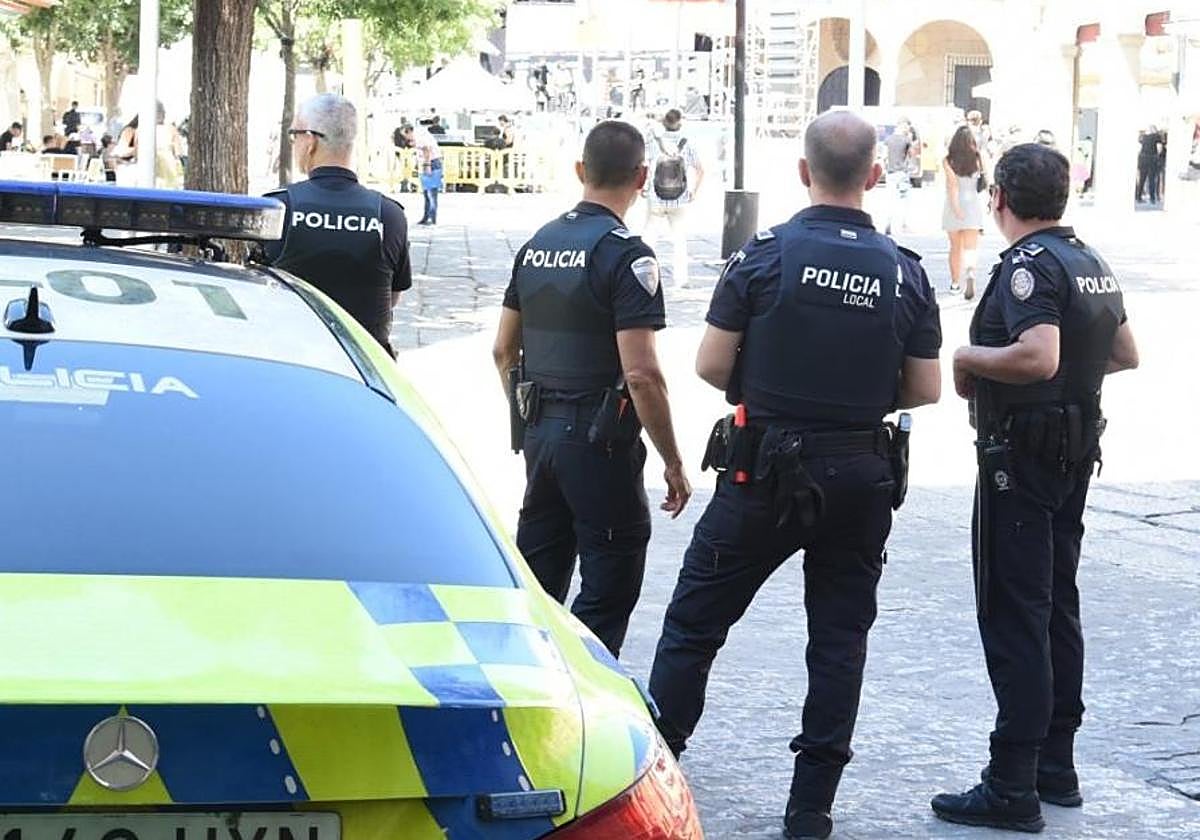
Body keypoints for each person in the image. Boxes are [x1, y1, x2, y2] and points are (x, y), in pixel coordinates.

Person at [647, 111, 943, 840]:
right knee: (838, 641)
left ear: (804, 173)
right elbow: (927, 387)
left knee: (693, 625)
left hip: (764, 470)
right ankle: (811, 808)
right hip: (859, 472)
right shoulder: (904, 270)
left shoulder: (765, 255)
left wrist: (775, 384)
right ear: (874, 175)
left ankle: (657, 773)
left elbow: (713, 365)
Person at [932, 143, 1139, 833]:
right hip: (1072, 456)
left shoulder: (1030, 266)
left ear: (998, 200)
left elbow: (1037, 353)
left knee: (1016, 612)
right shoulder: (1090, 262)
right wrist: (1070, 400)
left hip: (1018, 462)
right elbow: (1123, 353)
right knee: (1057, 606)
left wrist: (968, 358)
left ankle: (1011, 781)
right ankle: (1057, 765)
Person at [492, 120, 692, 658]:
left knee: (538, 582)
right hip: (600, 444)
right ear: (643, 177)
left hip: (541, 435)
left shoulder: (538, 245)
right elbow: (642, 373)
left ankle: (526, 675)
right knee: (608, 586)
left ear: (581, 170)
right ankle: (583, 691)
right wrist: (671, 459)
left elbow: (503, 351)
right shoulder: (627, 255)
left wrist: (527, 418)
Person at [262, 93, 412, 358]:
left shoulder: (277, 208)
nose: (294, 142)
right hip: (364, 367)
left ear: (310, 141)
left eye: (294, 134)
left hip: (290, 359)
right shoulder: (389, 214)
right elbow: (392, 296)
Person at [643, 109, 704, 289]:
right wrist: (693, 191)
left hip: (656, 197)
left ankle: (646, 277)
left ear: (664, 123)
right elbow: (700, 169)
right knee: (679, 240)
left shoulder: (653, 142)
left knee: (649, 239)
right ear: (680, 123)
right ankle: (681, 279)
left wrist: (643, 187)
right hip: (680, 198)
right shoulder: (687, 143)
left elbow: (644, 165)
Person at [943, 124, 986, 298]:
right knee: (971, 248)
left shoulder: (948, 160)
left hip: (954, 204)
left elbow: (952, 186)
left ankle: (954, 284)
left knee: (955, 248)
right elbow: (986, 180)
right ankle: (970, 273)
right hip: (973, 204)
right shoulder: (978, 157)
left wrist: (956, 209)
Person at [404, 121, 443, 226]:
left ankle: (431, 217)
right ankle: (426, 216)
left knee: (431, 193)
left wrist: (427, 165)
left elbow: (427, 150)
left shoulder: (419, 135)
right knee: (427, 193)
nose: (407, 139)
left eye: (406, 136)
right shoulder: (420, 133)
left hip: (431, 162)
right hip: (430, 162)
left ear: (409, 131)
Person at [883, 118, 913, 235]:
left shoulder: (888, 139)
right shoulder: (906, 140)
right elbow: (910, 155)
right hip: (902, 172)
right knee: (903, 200)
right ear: (903, 126)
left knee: (891, 199)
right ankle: (902, 225)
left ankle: (888, 223)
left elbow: (884, 156)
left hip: (890, 172)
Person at [1135, 126, 1162, 204]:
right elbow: (1159, 148)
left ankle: (1139, 197)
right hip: (1152, 159)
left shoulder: (1143, 137)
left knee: (1142, 179)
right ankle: (1152, 198)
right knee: (1151, 180)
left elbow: (1139, 148)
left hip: (1142, 159)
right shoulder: (1157, 136)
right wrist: (1157, 156)